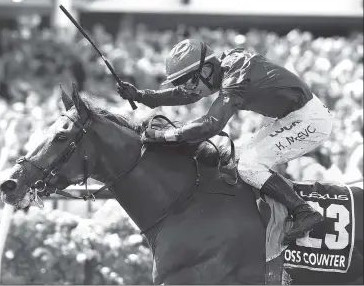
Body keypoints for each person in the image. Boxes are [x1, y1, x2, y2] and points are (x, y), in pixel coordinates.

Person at [116, 39, 333, 245]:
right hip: (291, 117)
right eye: (182, 83)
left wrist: (166, 136)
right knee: (235, 157)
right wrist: (141, 95)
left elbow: (212, 124)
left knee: (249, 166)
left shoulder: (236, 73)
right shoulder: (222, 69)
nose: (188, 88)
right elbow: (189, 95)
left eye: (189, 81)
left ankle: (304, 212)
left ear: (207, 69)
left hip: (310, 120)